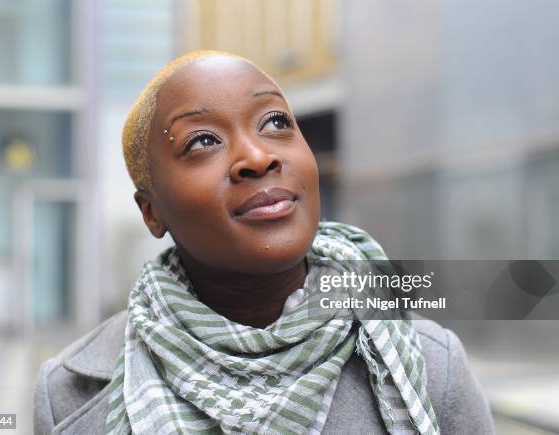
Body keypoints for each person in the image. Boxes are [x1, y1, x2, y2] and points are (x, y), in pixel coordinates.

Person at [34, 51, 494, 435]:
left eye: (275, 121)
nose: (257, 156)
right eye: (202, 142)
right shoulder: (69, 394)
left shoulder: (433, 366)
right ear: (152, 211)